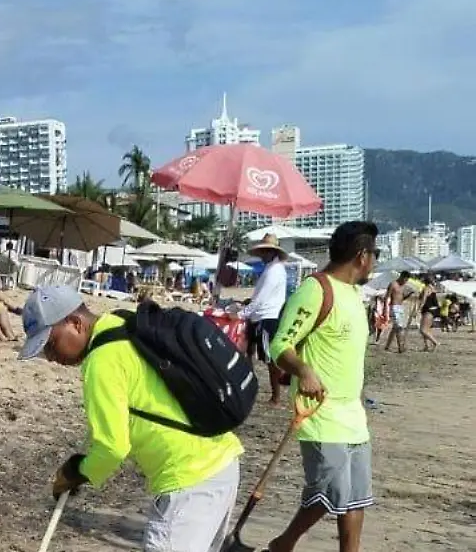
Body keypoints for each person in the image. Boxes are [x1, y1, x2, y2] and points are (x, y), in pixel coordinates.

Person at [19, 285, 243, 552]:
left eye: (51, 344)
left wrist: (76, 473)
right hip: (221, 462)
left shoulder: (101, 361)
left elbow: (113, 447)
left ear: (76, 323)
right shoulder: (122, 321)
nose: (51, 358)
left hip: (189, 480)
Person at [265, 221, 379, 552]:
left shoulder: (355, 294)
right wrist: (303, 369)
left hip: (353, 416)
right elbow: (279, 345)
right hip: (319, 414)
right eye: (375, 254)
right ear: (361, 256)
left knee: (356, 498)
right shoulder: (315, 290)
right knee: (328, 493)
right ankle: (282, 544)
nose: (375, 262)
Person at [237, 234, 290, 406]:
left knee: (269, 359)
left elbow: (260, 299)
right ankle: (251, 387)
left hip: (267, 318)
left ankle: (276, 396)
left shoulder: (274, 271)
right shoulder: (270, 269)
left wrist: (241, 313)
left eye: (264, 252)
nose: (261, 256)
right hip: (259, 316)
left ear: (270, 252)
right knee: (249, 352)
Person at [417, 275, 441, 352]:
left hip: (428, 310)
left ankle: (435, 342)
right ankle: (426, 346)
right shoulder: (433, 289)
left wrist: (418, 309)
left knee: (423, 330)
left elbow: (423, 300)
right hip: (433, 310)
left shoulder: (426, 288)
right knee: (427, 329)